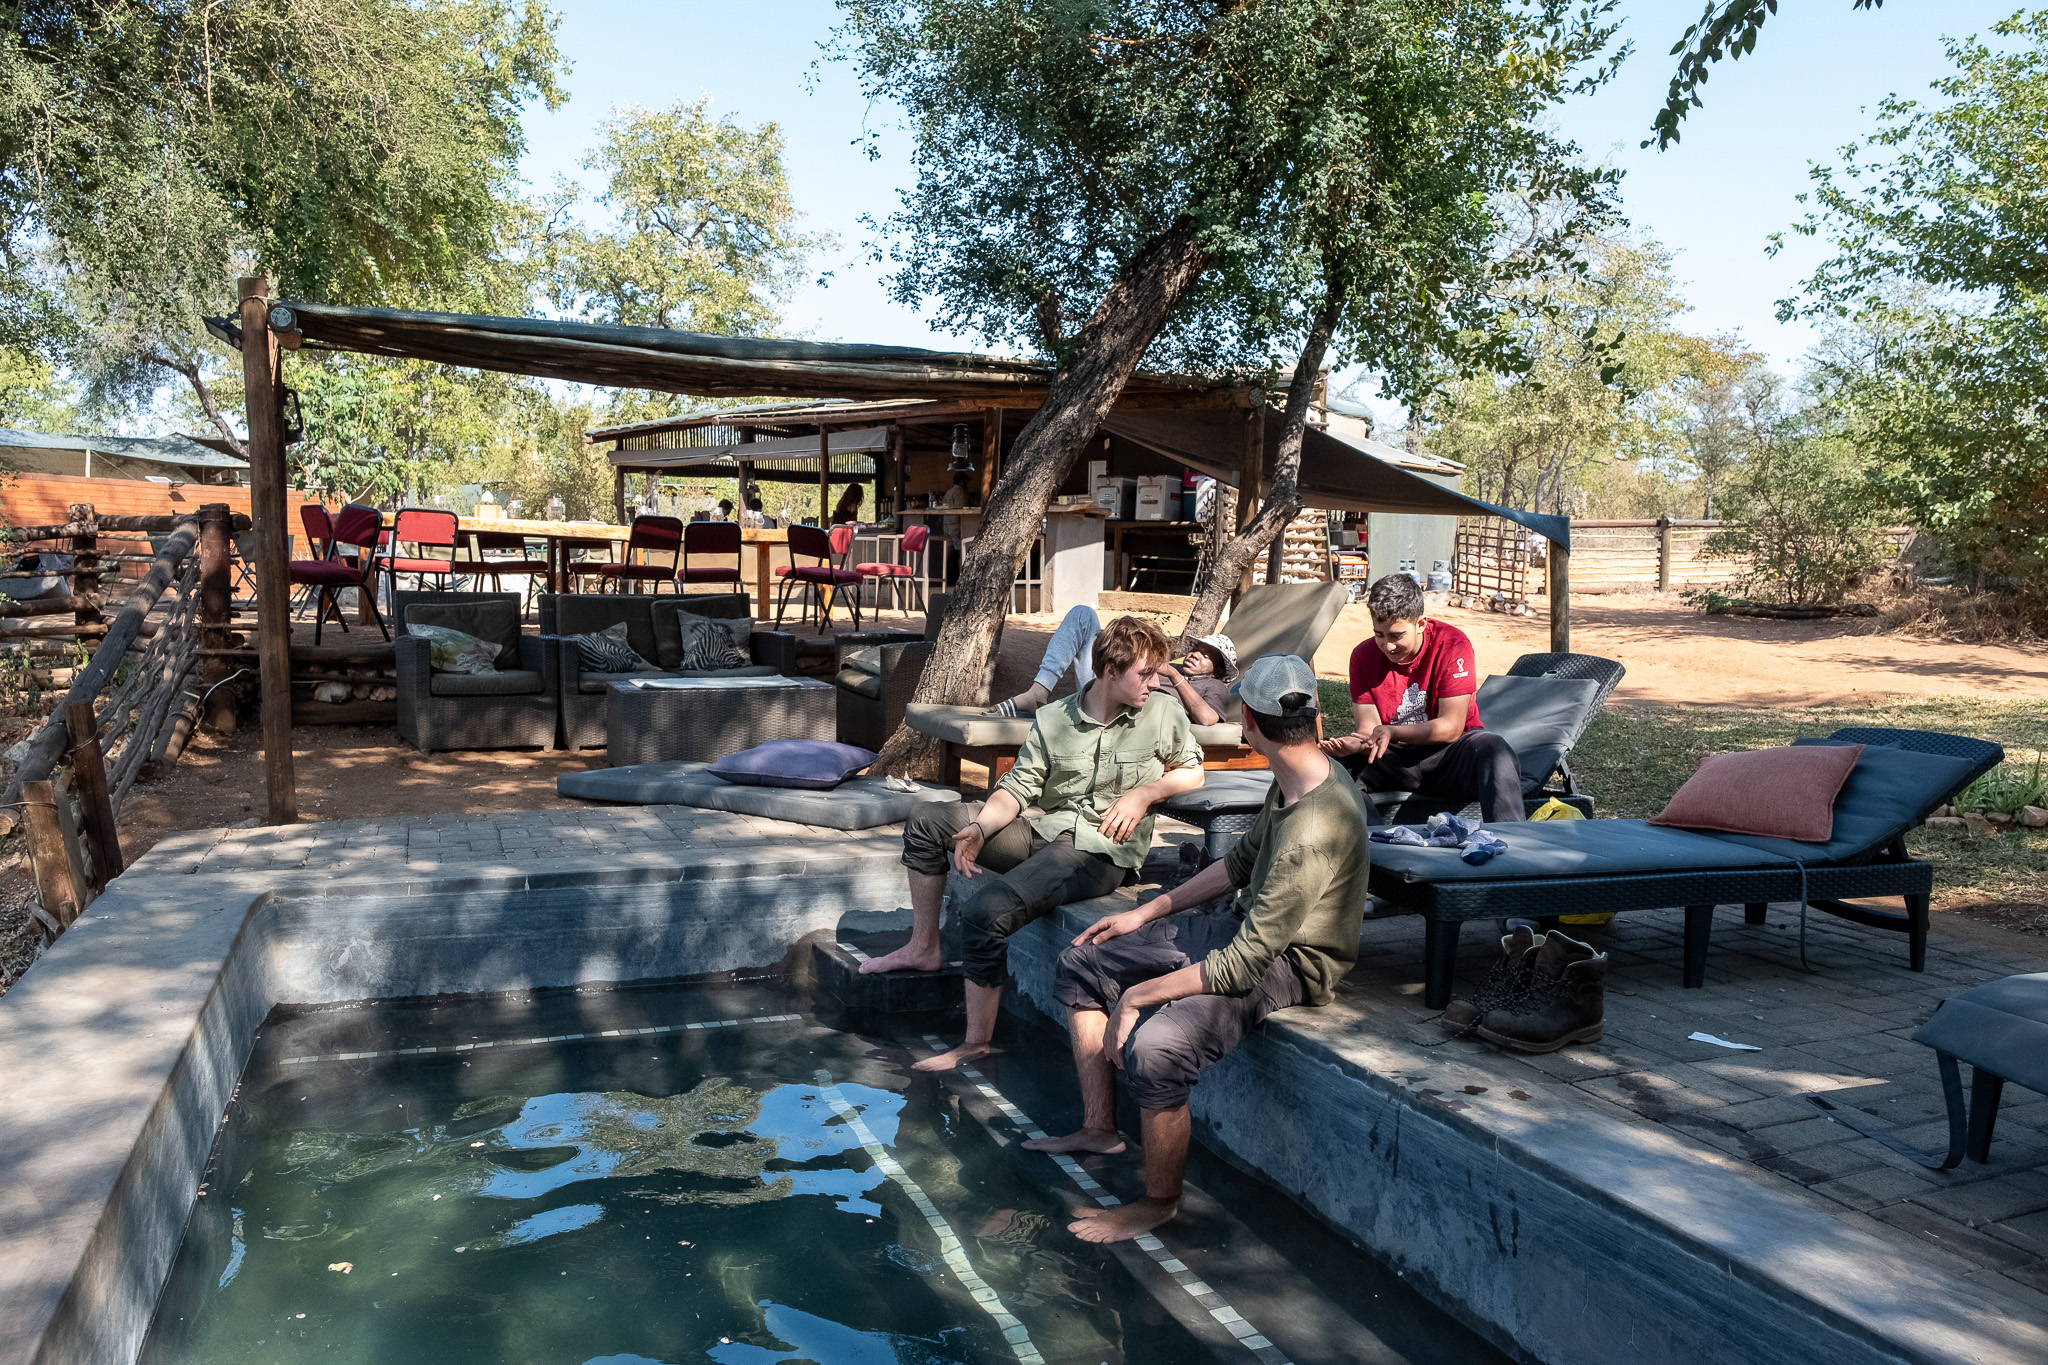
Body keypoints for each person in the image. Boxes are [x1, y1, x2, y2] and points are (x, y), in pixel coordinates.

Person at [1023, 653, 1369, 1243]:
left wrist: (1136, 999)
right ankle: (1100, 1127)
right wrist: (1146, 911)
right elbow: (1238, 864)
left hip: (1291, 961)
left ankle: (1160, 1201)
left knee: (1156, 1049)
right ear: (1314, 716)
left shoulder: (1316, 824)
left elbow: (1246, 965)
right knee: (1083, 960)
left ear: (1249, 725)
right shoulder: (1297, 779)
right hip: (1244, 929)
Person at [861, 616, 1206, 1072]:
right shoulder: (1053, 718)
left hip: (1101, 851)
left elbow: (1193, 770)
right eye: (1145, 673)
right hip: (1047, 832)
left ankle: (975, 1044)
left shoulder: (1161, 712)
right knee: (926, 820)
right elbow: (1018, 788)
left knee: (985, 912)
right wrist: (981, 829)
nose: (1155, 681)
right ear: (1109, 670)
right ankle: (924, 947)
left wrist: (1144, 793)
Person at [1322, 573, 1522, 822]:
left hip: (1448, 755)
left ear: (1421, 624)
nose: (1388, 646)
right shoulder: (1362, 656)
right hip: (1392, 758)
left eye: (1396, 635)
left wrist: (1391, 732)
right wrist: (1358, 745)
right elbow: (1369, 729)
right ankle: (1373, 846)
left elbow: (1451, 728)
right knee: (1327, 767)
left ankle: (1512, 847)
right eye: (1379, 635)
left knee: (1493, 749)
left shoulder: (1453, 644)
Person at [987, 605, 1234, 725]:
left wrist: (1171, 672)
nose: (1195, 654)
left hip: (1120, 708)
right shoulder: (1170, 667)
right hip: (1105, 686)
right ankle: (1038, 692)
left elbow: (1208, 718)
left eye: (1206, 654)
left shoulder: (1213, 688)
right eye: (1196, 649)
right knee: (1083, 615)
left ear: (1218, 671)